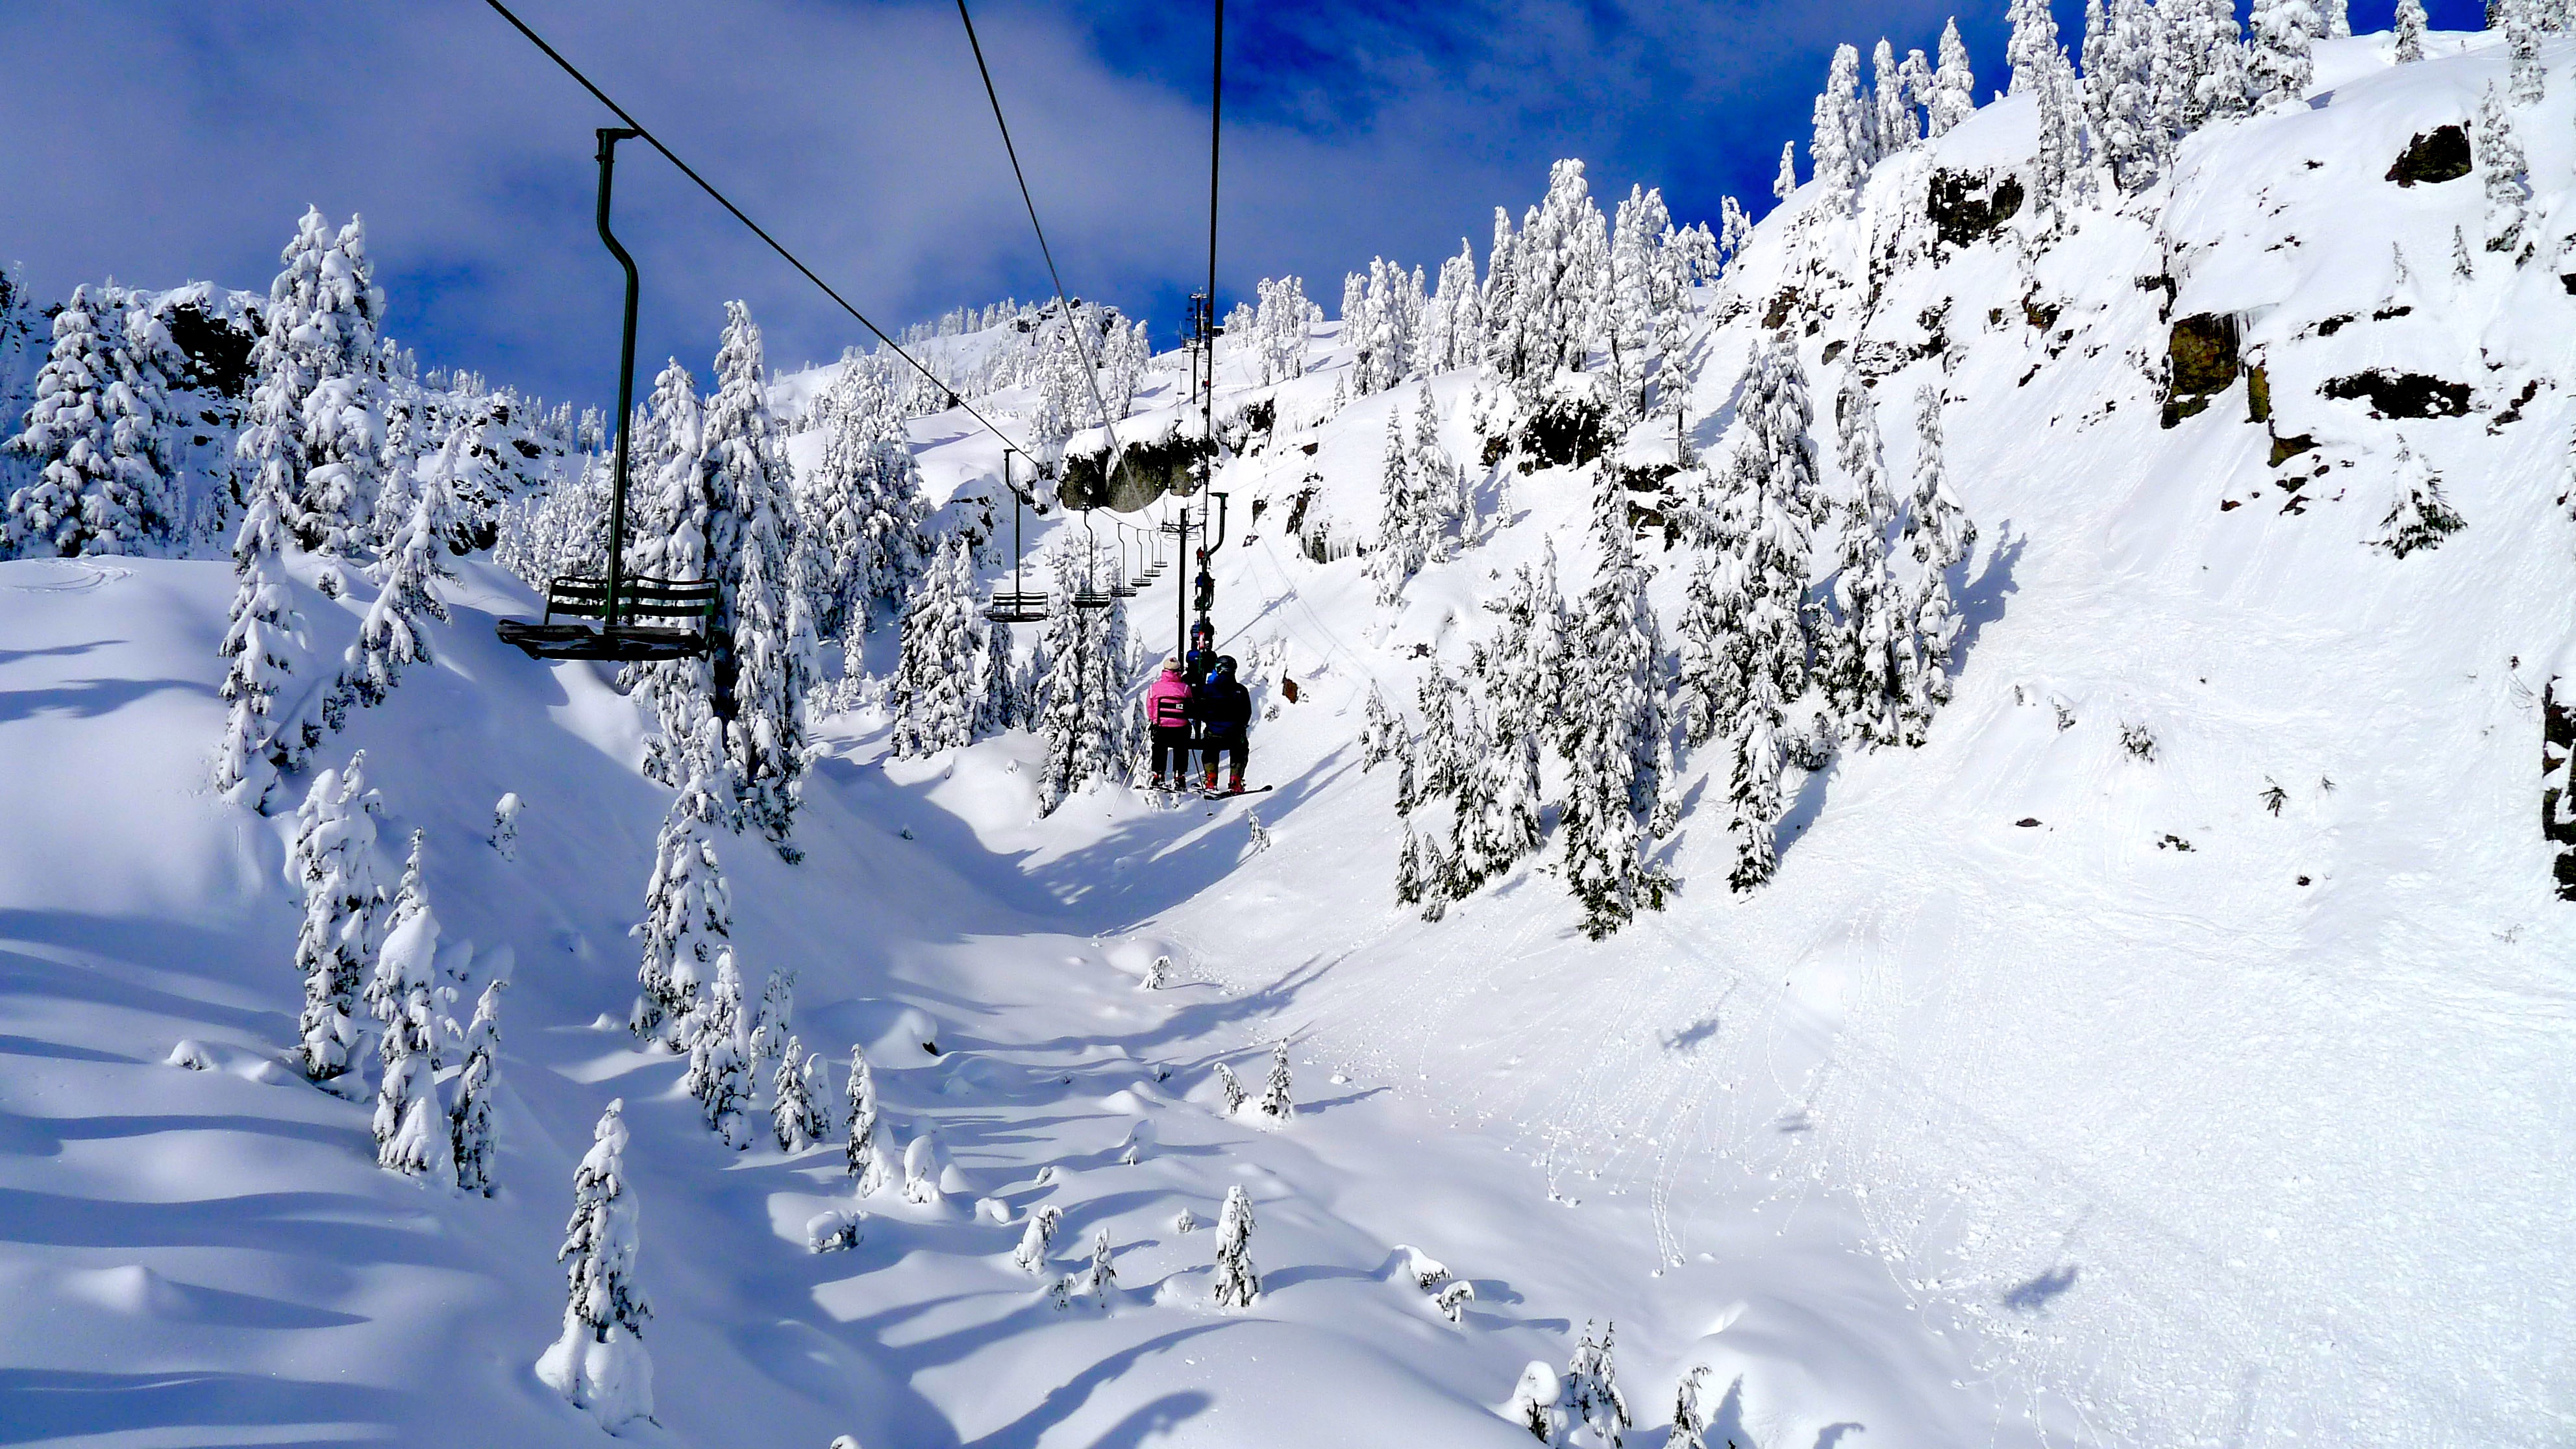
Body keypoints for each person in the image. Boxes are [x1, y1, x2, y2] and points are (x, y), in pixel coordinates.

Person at [1194, 654, 1252, 794]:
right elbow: (1247, 713)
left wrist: (1209, 721)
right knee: (1241, 748)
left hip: (1214, 734)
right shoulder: (1241, 690)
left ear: (1218, 669)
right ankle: (1236, 780)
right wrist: (1240, 726)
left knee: (1210, 748)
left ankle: (1211, 779)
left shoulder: (1208, 690)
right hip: (1234, 735)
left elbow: (1200, 710)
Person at [1145, 658, 1194, 791]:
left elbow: (1150, 708)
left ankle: (1159, 775)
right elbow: (1190, 706)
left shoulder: (1154, 688)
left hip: (1161, 727)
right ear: (1178, 672)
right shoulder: (1185, 689)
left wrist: (1154, 720)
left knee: (1159, 747)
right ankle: (1179, 776)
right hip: (1180, 728)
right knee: (1182, 748)